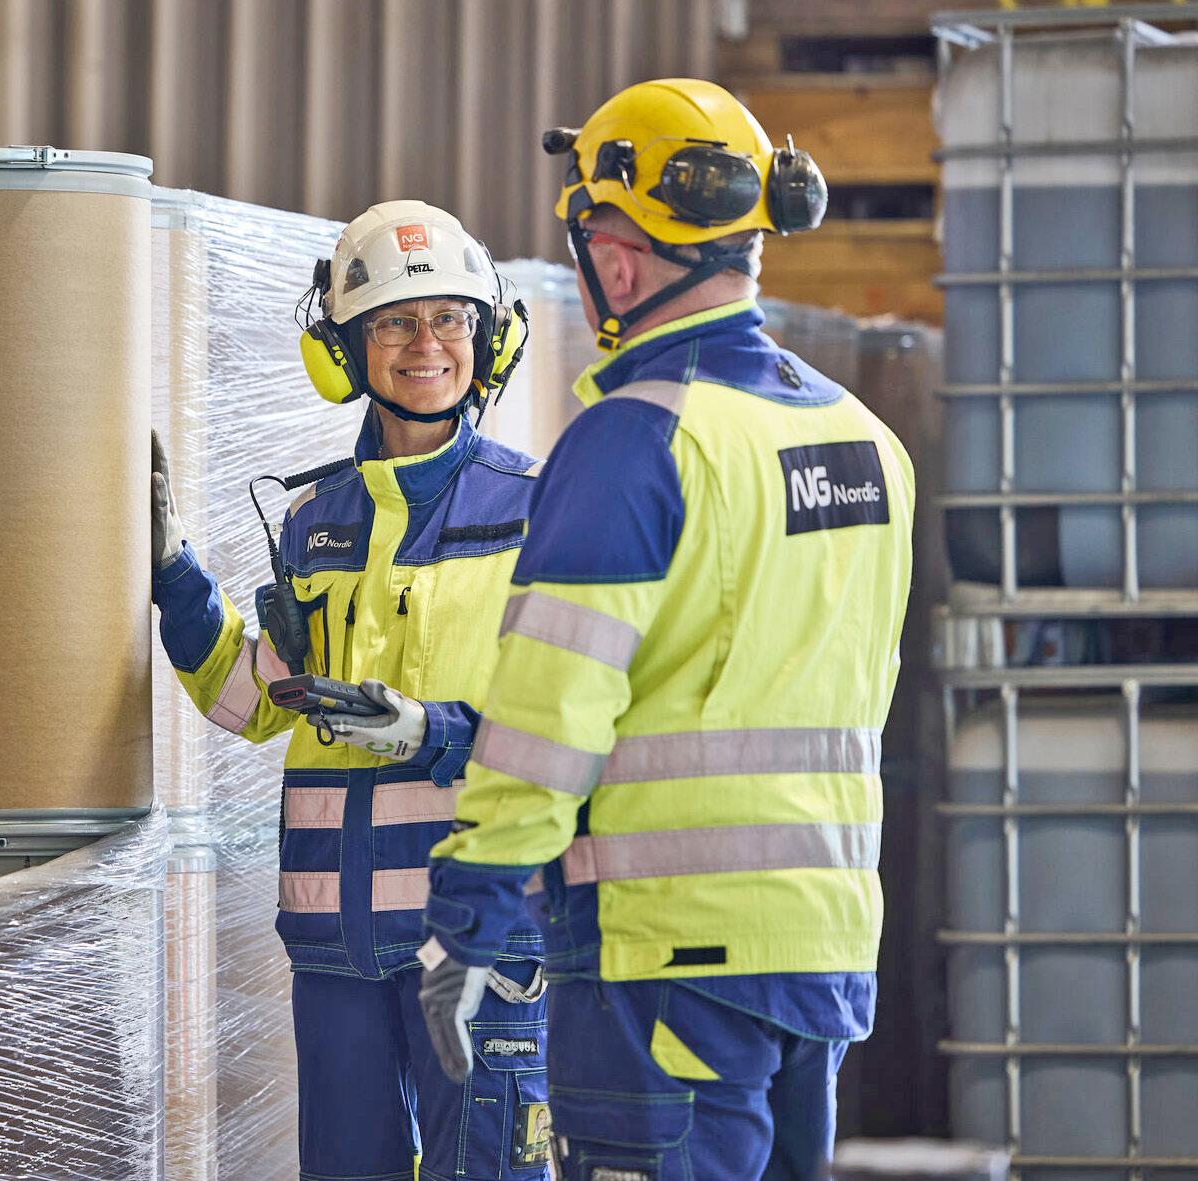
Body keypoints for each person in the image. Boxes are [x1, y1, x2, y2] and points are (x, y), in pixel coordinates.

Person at [414, 79, 915, 1180]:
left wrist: (471, 914)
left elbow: (548, 714)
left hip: (664, 959)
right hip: (822, 950)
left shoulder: (633, 440)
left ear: (620, 258)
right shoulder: (868, 441)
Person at [150, 200, 554, 1181]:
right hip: (335, 941)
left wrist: (429, 730)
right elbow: (252, 699)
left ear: (487, 340)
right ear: (344, 351)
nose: (427, 344)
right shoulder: (314, 519)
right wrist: (174, 577)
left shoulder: (538, 508)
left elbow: (573, 724)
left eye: (449, 318)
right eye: (395, 323)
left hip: (480, 933)